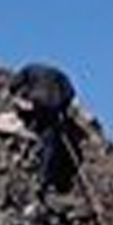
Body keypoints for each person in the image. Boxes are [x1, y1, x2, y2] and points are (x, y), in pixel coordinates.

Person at [12, 63, 76, 193]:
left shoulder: (28, 69)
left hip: (39, 102)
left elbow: (13, 85)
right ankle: (45, 175)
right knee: (51, 142)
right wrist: (62, 109)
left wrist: (17, 96)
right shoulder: (61, 76)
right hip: (53, 106)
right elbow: (71, 93)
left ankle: (42, 177)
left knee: (47, 140)